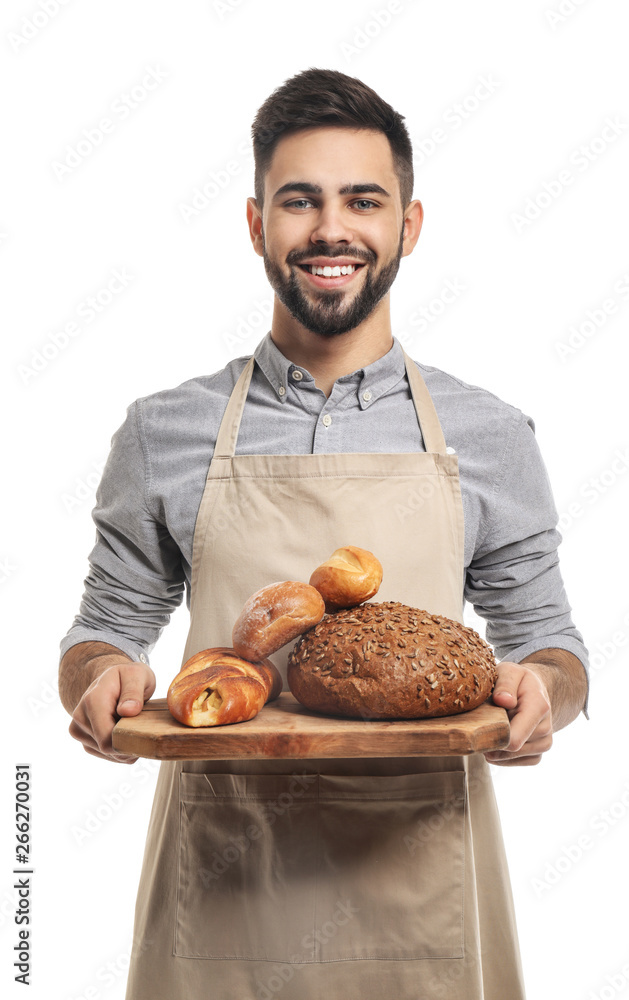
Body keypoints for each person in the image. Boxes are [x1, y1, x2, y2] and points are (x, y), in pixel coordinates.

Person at [59, 67, 589, 1000]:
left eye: (362, 200)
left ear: (407, 227)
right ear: (258, 224)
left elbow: (551, 641)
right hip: (221, 887)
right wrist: (100, 677)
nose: (330, 229)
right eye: (298, 200)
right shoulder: (163, 430)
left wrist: (542, 690)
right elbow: (103, 626)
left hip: (424, 893)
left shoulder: (490, 434)